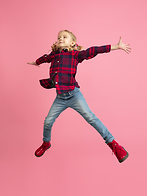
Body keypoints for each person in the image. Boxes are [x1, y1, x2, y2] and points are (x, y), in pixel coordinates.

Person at [27, 30, 131, 163]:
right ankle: (46, 143)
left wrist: (116, 47)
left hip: (74, 95)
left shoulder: (76, 55)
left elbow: (94, 50)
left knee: (91, 118)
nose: (60, 39)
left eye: (64, 37)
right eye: (59, 37)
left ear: (72, 43)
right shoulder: (54, 55)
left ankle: (115, 145)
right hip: (60, 97)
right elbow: (45, 58)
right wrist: (37, 62)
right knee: (48, 121)